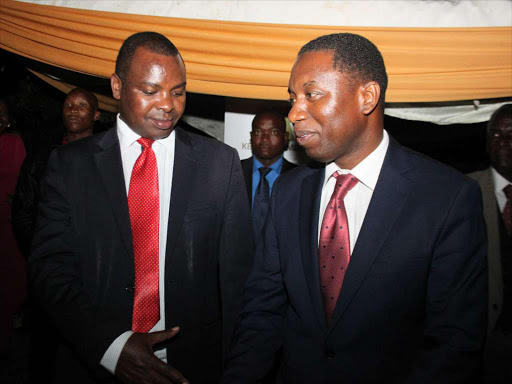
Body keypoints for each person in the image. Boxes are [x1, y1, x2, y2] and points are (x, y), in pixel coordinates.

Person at [223, 33, 488, 383]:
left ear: (367, 97)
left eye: (311, 95)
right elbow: (262, 311)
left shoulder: (447, 198)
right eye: (292, 97)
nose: (293, 113)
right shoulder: (288, 192)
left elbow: (454, 344)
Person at [29, 31, 253, 384]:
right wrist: (111, 347)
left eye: (178, 92)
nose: (168, 104)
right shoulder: (69, 166)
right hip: (95, 362)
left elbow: (238, 277)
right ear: (117, 87)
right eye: (150, 91)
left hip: (191, 366)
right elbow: (50, 269)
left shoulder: (218, 163)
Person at [12, 87, 100, 259]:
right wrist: (41, 257)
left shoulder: (108, 158)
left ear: (96, 115)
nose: (73, 110)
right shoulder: (41, 157)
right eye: (68, 105)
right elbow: (23, 212)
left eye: (82, 105)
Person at [468, 103, 512, 383]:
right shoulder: (465, 192)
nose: (503, 141)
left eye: (511, 134)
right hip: (488, 338)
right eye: (495, 135)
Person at [241, 110, 296, 239]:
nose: (265, 139)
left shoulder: (300, 178)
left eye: (273, 132)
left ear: (286, 137)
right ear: (251, 136)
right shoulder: (232, 172)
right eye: (258, 132)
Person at [0, 98, 26, 358]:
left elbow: (22, 187)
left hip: (6, 225)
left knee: (9, 286)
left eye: (3, 113)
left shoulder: (12, 143)